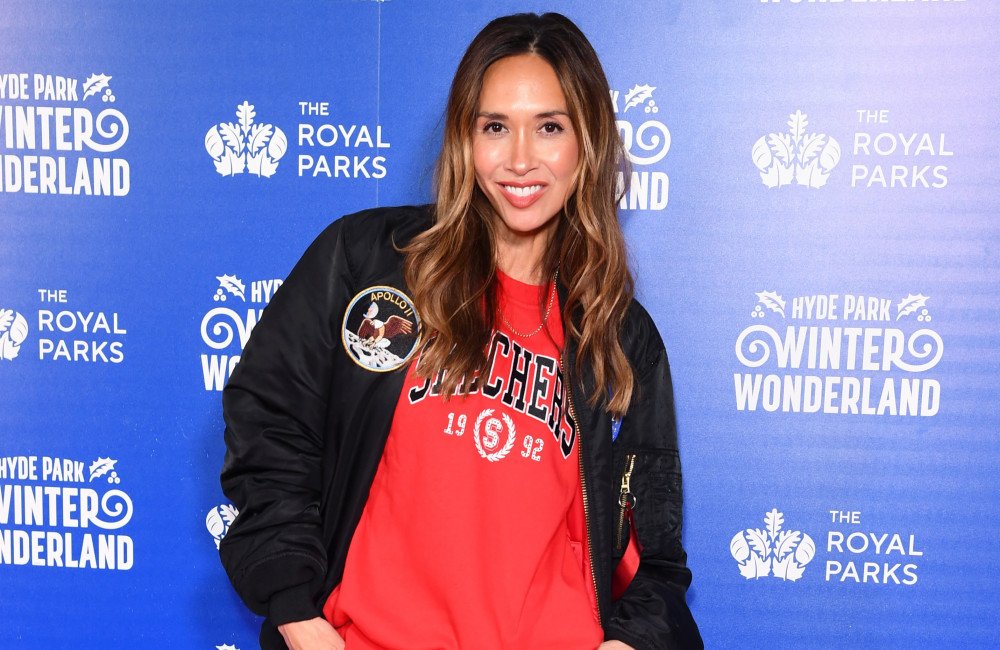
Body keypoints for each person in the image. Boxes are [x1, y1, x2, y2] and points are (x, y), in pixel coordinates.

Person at [220, 12, 702, 650]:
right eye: (495, 126)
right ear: (464, 140)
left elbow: (655, 555)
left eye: (550, 127)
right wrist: (295, 609)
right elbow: (271, 426)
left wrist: (631, 642)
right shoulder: (369, 263)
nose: (521, 159)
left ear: (586, 144)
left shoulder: (621, 334)